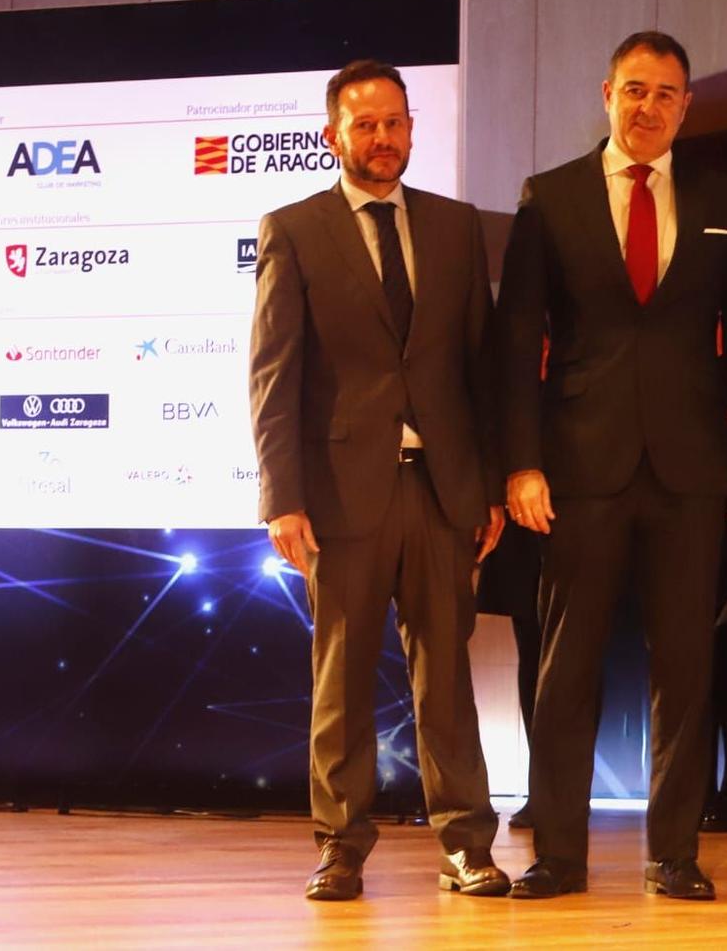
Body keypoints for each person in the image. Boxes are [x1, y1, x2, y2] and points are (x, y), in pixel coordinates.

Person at [494, 30, 727, 901]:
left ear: (687, 105)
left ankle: (675, 854)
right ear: (606, 92)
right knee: (566, 666)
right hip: (579, 467)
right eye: (635, 89)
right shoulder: (550, 197)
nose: (649, 105)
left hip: (693, 470)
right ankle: (560, 856)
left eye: (667, 93)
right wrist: (521, 464)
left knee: (685, 668)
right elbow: (515, 346)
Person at [249, 60, 509, 902]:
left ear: (410, 128)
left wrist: (492, 484)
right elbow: (273, 374)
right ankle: (339, 846)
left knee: (447, 680)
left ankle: (467, 844)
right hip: (337, 492)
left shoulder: (453, 225)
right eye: (366, 124)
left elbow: (482, 364)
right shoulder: (294, 228)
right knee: (343, 677)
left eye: (395, 122)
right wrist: (280, 498)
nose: (384, 137)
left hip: (441, 490)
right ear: (333, 135)